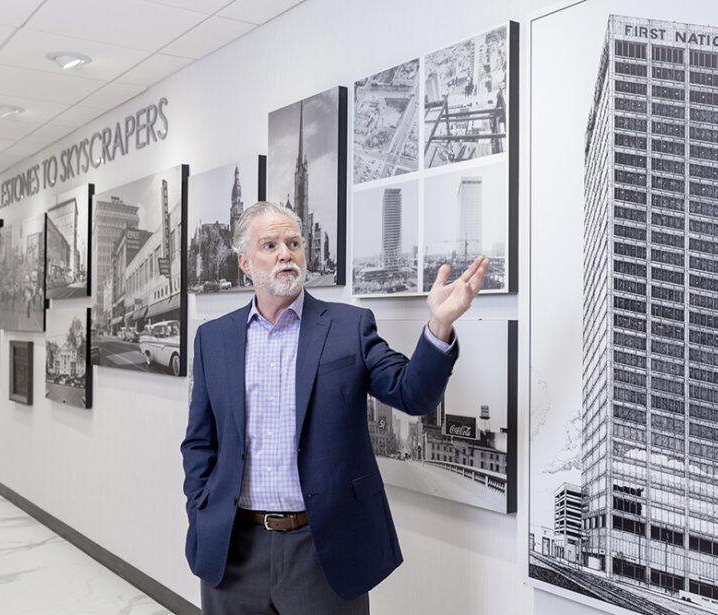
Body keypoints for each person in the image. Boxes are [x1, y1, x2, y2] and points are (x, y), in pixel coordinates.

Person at [181, 201, 491, 614]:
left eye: (293, 243)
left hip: (322, 551)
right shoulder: (213, 339)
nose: (285, 254)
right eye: (269, 245)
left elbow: (411, 394)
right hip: (234, 550)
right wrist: (200, 506)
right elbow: (200, 441)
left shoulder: (349, 327)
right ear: (244, 262)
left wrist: (439, 326)